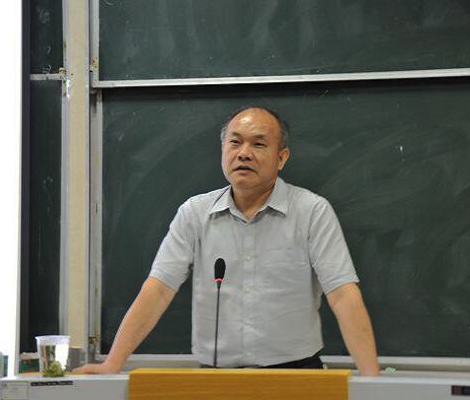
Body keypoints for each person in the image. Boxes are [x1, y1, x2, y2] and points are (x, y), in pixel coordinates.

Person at [75, 106, 380, 375]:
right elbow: (158, 290)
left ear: (281, 157)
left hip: (296, 375)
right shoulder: (194, 213)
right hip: (216, 378)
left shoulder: (312, 211)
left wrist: (372, 382)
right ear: (223, 150)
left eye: (258, 144)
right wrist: (113, 363)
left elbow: (342, 294)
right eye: (235, 142)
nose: (244, 153)